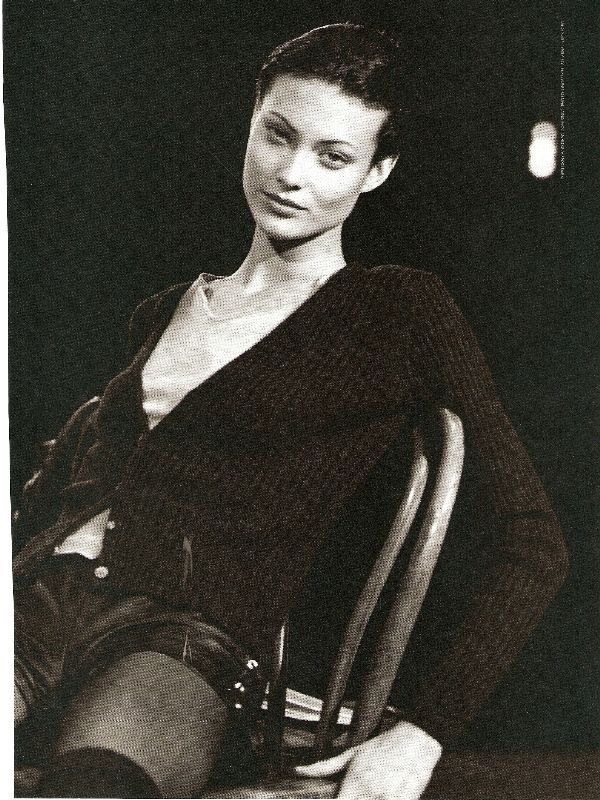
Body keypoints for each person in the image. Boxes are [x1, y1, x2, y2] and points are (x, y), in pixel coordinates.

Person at [13, 22, 568, 800]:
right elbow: (48, 502)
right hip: (31, 605)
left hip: (176, 647)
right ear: (251, 121)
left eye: (333, 157)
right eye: (277, 135)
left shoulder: (397, 313)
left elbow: (535, 542)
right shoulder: (162, 311)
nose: (290, 174)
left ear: (377, 172)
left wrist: (424, 733)